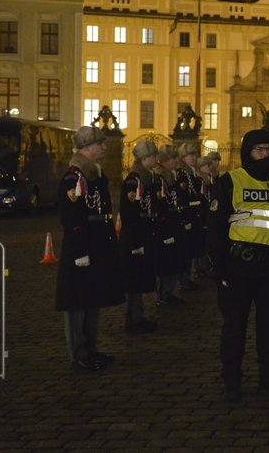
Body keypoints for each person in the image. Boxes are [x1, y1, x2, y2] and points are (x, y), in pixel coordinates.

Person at [207, 129, 269, 401]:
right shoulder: (230, 181)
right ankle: (232, 379)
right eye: (258, 150)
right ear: (247, 152)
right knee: (234, 327)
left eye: (268, 149)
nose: (264, 154)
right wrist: (216, 265)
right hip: (237, 267)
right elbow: (215, 227)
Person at [55, 126, 124, 372]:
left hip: (98, 244)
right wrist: (79, 251)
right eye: (100, 144)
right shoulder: (74, 178)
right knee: (77, 303)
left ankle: (91, 348)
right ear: (87, 147)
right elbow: (73, 218)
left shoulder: (94, 174)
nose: (105, 147)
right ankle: (78, 353)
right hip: (82, 247)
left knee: (93, 298)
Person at [119, 140, 159, 334]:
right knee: (134, 281)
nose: (156, 159)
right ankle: (132, 320)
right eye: (153, 156)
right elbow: (130, 214)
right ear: (144, 158)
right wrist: (135, 242)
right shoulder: (134, 181)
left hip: (144, 233)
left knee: (141, 278)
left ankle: (138, 316)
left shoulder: (146, 178)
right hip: (135, 236)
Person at [152, 144, 185, 307]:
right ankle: (163, 294)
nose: (176, 161)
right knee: (165, 261)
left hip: (174, 221)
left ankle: (170, 291)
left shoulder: (172, 176)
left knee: (174, 259)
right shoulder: (160, 178)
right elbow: (160, 205)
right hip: (165, 223)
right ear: (164, 161)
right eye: (172, 158)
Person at [178, 142, 205, 290]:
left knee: (193, 248)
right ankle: (184, 280)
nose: (194, 157)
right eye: (190, 155)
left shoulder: (192, 172)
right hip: (188, 214)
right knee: (187, 250)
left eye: (195, 155)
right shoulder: (183, 174)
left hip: (195, 214)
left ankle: (188, 277)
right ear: (184, 157)